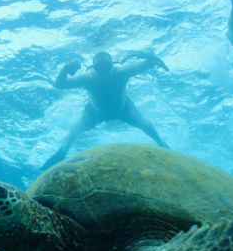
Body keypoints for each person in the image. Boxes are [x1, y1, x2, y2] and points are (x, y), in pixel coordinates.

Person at [41, 51, 170, 170]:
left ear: (112, 65)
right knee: (76, 129)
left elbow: (151, 62)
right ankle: (62, 150)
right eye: (99, 68)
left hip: (124, 107)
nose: (103, 71)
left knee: (142, 122)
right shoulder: (88, 78)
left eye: (106, 67)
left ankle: (161, 143)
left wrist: (144, 53)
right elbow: (59, 84)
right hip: (95, 111)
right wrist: (66, 68)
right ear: (93, 68)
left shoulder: (122, 72)